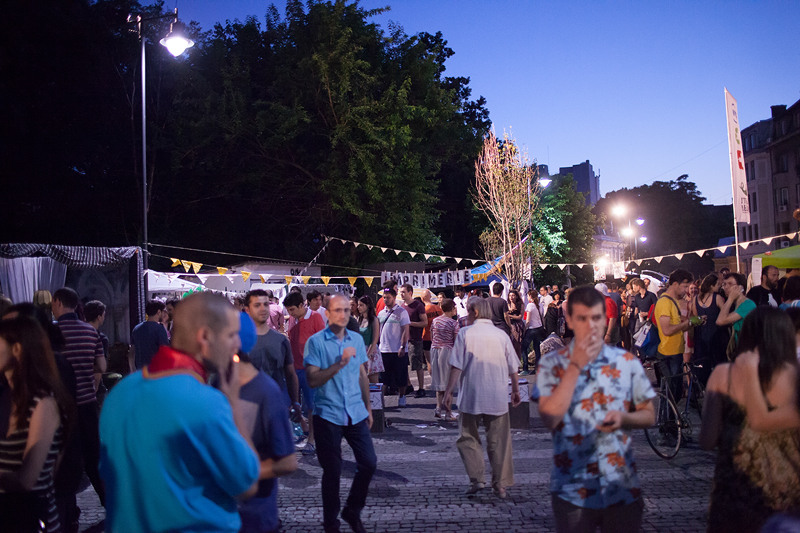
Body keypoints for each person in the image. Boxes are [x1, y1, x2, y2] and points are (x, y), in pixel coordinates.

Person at [99, 292, 260, 532]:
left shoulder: (120, 393)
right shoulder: (206, 402)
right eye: (231, 335)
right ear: (205, 337)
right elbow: (246, 483)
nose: (238, 344)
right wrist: (232, 403)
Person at [537, 285, 655, 532]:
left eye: (596, 318)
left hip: (621, 484)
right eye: (582, 318)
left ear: (606, 320)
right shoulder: (552, 364)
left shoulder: (626, 363)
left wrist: (623, 417)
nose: (590, 326)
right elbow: (549, 418)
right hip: (573, 487)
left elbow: (648, 414)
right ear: (569, 319)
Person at [700, 307, 800, 532]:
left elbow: (707, 439)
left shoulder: (722, 375)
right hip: (784, 494)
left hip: (733, 491)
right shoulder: (794, 377)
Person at [304, 295, 376, 533]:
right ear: (327, 313)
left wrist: (368, 407)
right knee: (332, 471)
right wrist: (338, 364)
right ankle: (330, 523)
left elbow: (362, 375)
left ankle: (352, 510)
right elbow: (313, 380)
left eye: (347, 310)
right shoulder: (315, 342)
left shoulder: (355, 338)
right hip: (328, 414)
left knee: (368, 463)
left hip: (355, 412)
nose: (343, 314)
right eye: (337, 310)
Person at [0, 317, 73, 532]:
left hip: (30, 521)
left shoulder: (43, 404)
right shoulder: (6, 398)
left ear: (17, 349)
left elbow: (28, 480)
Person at [443, 297, 520, 499]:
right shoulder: (500, 335)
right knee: (500, 441)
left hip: (471, 396)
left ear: (474, 312)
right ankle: (500, 485)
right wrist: (516, 390)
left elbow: (456, 365)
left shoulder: (466, 334)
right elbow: (513, 365)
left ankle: (477, 479)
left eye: (468, 311)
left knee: (467, 438)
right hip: (497, 396)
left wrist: (449, 391)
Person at [236, 312, 297, 533]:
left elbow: (287, 462)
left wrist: (236, 474)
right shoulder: (216, 385)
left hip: (257, 518)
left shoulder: (265, 392)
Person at [51, 287, 106, 514]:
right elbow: (102, 366)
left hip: (60, 407)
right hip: (87, 403)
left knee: (64, 460)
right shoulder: (90, 332)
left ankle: (68, 510)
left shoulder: (52, 333)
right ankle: (108, 501)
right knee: (94, 456)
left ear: (58, 303)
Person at [284, 291, 326, 455]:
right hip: (295, 369)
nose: (290, 313)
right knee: (294, 405)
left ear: (302, 305)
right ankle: (305, 431)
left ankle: (312, 441)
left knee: (312, 407)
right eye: (288, 311)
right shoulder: (294, 319)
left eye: (293, 309)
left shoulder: (315, 317)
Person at [244, 290, 299, 409]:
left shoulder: (281, 341)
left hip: (278, 405)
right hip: (249, 408)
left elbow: (290, 374)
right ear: (247, 309)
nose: (263, 309)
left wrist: (295, 402)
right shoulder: (238, 341)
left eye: (266, 304)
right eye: (257, 305)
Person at [653, 269, 693, 408]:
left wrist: (691, 323)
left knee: (676, 392)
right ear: (675, 284)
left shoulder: (674, 301)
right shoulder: (664, 302)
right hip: (667, 354)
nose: (686, 290)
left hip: (676, 352)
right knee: (671, 393)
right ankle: (668, 424)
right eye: (685, 286)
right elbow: (667, 330)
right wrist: (686, 323)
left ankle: (671, 422)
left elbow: (680, 324)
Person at [690, 273, 728, 383]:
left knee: (704, 365)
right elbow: (724, 313)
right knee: (718, 363)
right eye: (717, 284)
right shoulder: (718, 298)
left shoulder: (696, 299)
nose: (719, 286)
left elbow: (696, 317)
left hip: (701, 336)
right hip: (717, 335)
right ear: (711, 285)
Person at [378, 287, 410, 406]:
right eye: (384, 297)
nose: (386, 300)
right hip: (384, 349)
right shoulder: (381, 313)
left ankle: (402, 396)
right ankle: (381, 400)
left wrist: (402, 346)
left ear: (394, 298)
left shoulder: (402, 312)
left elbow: (405, 330)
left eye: (388, 297)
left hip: (397, 349)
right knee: (384, 377)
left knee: (401, 375)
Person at [430, 299, 459, 421]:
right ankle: (448, 412)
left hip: (435, 350)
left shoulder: (435, 321)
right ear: (452, 309)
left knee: (439, 381)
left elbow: (432, 336)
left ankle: (438, 408)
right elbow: (456, 340)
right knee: (449, 383)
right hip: (447, 351)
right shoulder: (454, 323)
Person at [398, 284, 428, 398]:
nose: (401, 294)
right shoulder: (401, 306)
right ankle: (409, 385)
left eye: (403, 292)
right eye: (400, 292)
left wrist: (410, 323)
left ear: (410, 293)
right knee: (403, 364)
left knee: (417, 364)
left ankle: (421, 388)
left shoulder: (418, 306)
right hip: (404, 339)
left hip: (415, 339)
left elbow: (424, 322)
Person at [717, 272, 757, 355]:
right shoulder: (737, 305)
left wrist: (730, 299)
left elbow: (720, 321)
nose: (726, 287)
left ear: (740, 288)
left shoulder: (747, 304)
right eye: (724, 284)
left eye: (730, 284)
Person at [130, 299, 170, 370]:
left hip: (140, 373)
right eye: (162, 312)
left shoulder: (136, 329)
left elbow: (132, 353)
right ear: (158, 312)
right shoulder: (159, 329)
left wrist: (132, 370)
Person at [357, 296, 382, 384]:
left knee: (374, 381)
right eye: (358, 305)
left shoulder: (374, 320)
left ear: (367, 306)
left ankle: (378, 398)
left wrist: (367, 355)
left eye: (361, 305)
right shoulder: (359, 319)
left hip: (371, 351)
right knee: (362, 381)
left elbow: (375, 339)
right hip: (361, 350)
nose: (358, 307)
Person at [522, 289, 545, 375]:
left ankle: (525, 368)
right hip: (539, 328)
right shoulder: (540, 305)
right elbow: (542, 317)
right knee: (537, 348)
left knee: (524, 347)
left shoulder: (530, 305)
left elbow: (527, 320)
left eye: (528, 296)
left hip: (532, 329)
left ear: (530, 296)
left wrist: (525, 329)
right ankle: (537, 368)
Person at [421, 290, 443, 383]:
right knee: (439, 360)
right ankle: (441, 379)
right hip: (438, 336)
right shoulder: (438, 308)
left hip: (427, 337)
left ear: (422, 299)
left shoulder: (424, 310)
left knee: (430, 361)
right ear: (430, 297)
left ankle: (435, 380)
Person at [506, 289, 526, 358]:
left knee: (517, 346)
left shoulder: (521, 305)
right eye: (510, 295)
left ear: (516, 296)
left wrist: (510, 315)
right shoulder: (507, 304)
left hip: (518, 326)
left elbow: (520, 317)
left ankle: (518, 364)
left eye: (513, 295)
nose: (511, 297)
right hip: (510, 326)